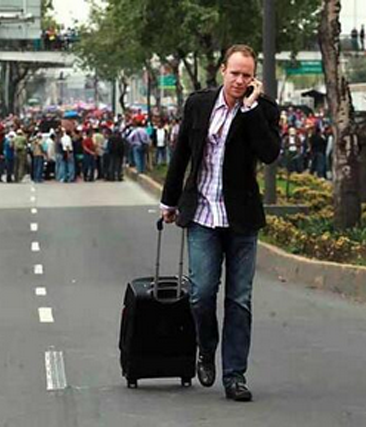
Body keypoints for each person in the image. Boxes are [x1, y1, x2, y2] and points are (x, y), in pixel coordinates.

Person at [160, 44, 281, 402]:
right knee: (201, 294)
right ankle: (205, 347)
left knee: (239, 301)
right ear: (222, 72)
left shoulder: (262, 109)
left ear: (254, 77)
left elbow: (269, 152)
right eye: (235, 74)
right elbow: (182, 152)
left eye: (247, 75)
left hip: (241, 219)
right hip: (202, 215)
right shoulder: (199, 104)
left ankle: (235, 375)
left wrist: (252, 109)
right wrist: (170, 201)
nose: (240, 81)